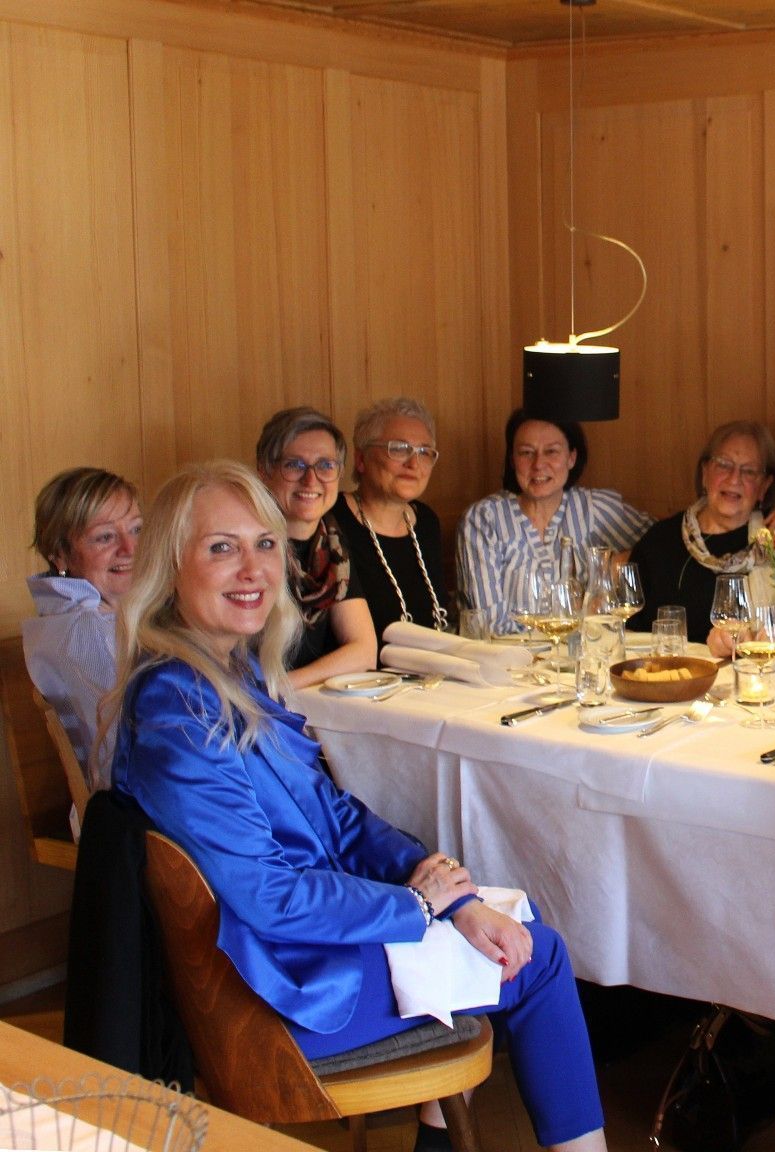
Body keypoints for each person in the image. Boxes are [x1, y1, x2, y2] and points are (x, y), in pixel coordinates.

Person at [107, 461, 608, 1152]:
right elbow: (268, 896)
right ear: (169, 567)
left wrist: (452, 897)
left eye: (263, 543)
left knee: (507, 919)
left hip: (300, 952)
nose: (252, 567)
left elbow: (337, 818)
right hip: (275, 991)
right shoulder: (175, 706)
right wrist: (417, 908)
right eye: (221, 547)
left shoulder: (233, 672)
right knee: (539, 957)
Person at [459, 408, 652, 637]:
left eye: (551, 451)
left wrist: (613, 567)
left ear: (572, 457)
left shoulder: (594, 509)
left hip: (585, 657)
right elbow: (488, 628)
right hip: (509, 663)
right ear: (512, 460)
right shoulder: (484, 520)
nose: (539, 464)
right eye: (526, 453)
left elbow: (664, 540)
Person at [21, 467, 142, 792]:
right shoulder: (92, 632)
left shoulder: (71, 617)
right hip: (135, 824)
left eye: (137, 529)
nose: (130, 548)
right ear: (59, 554)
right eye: (105, 537)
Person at [256, 407, 378, 688]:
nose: (311, 480)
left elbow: (363, 650)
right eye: (294, 465)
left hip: (289, 699)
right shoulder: (250, 547)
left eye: (325, 465)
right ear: (264, 472)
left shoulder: (332, 543)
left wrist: (282, 687)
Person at [630, 421, 775, 641]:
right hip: (670, 670)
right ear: (705, 472)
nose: (734, 479)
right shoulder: (660, 541)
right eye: (723, 465)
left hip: (753, 670)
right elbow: (631, 630)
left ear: (764, 486)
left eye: (749, 471)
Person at [332, 397, 452, 636]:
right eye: (398, 449)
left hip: (431, 670)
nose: (413, 463)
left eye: (424, 452)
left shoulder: (426, 521)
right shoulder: (332, 519)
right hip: (362, 673)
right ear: (361, 459)